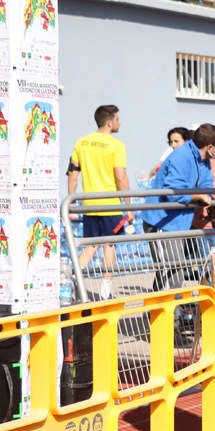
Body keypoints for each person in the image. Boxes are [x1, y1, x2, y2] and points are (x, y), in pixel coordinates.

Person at [142, 123, 215, 292]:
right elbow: (173, 192)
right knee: (170, 274)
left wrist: (214, 198)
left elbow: (206, 183)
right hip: (162, 221)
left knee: (174, 273)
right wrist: (198, 196)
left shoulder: (203, 159)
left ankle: (157, 315)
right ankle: (164, 316)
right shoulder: (181, 157)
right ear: (210, 146)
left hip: (178, 223)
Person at [68, 104, 133, 300]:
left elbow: (72, 174)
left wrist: (71, 202)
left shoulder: (82, 142)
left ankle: (72, 282)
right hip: (110, 204)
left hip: (89, 204)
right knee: (109, 245)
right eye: (118, 119)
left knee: (90, 245)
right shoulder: (116, 145)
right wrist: (128, 206)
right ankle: (105, 291)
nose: (120, 122)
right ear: (109, 122)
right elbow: (120, 176)